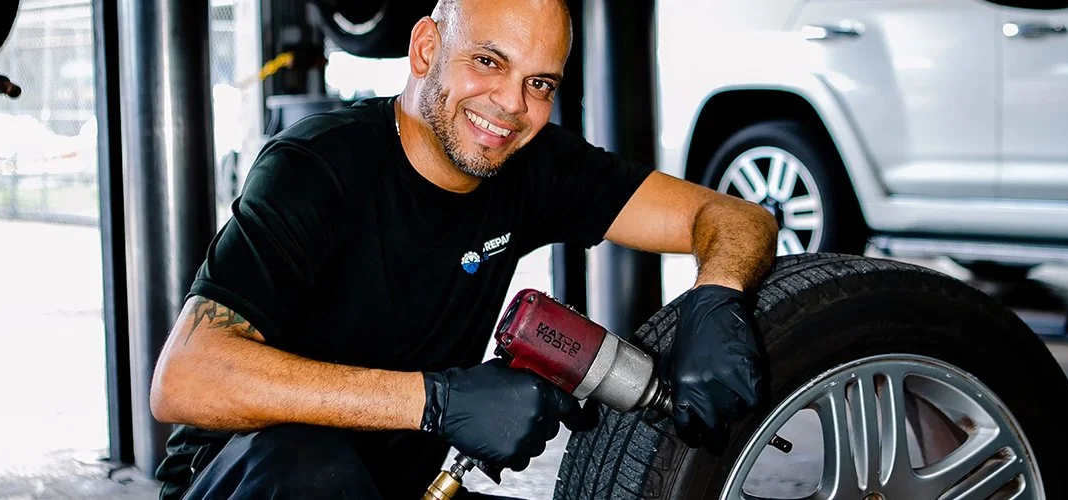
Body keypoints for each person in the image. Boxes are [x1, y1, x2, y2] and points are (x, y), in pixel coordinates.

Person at [150, 0, 778, 498]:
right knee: (310, 467)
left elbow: (733, 217)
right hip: (255, 482)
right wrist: (439, 401)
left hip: (398, 487)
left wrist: (716, 296)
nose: (511, 104)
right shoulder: (317, 166)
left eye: (540, 83)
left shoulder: (526, 161)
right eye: (487, 61)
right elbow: (186, 378)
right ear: (426, 49)